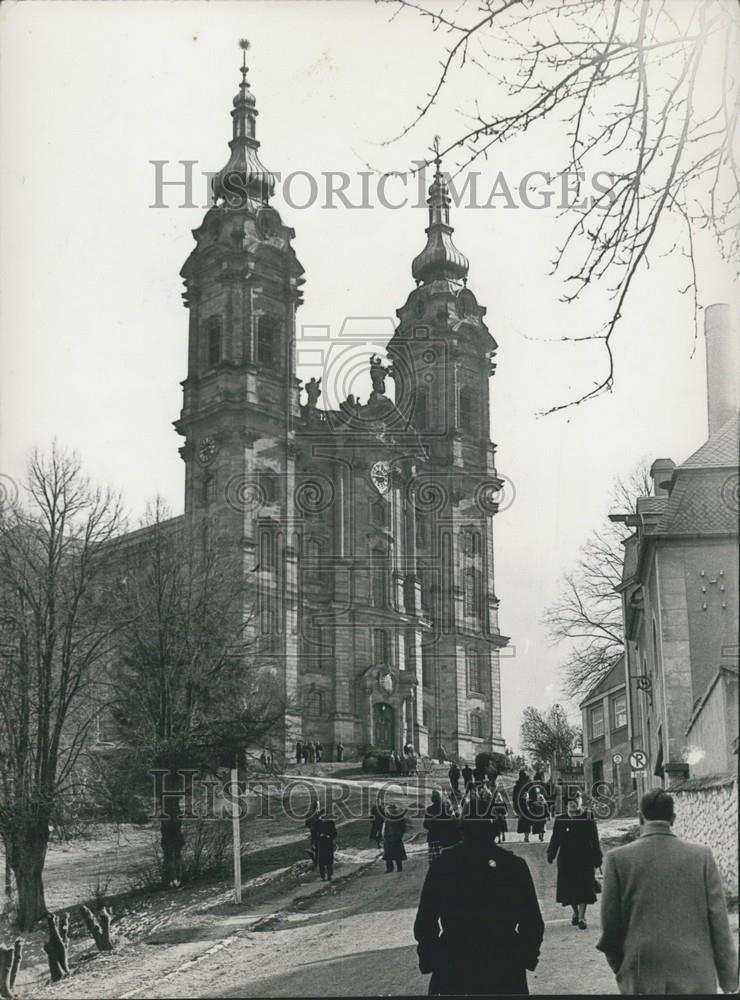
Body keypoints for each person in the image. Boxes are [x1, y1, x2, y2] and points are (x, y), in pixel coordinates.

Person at [597, 788, 738, 995]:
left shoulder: (618, 859)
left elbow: (610, 925)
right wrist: (729, 980)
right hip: (696, 974)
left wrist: (621, 966)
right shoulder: (701, 857)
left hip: (641, 973)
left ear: (640, 818)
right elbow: (719, 923)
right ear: (673, 818)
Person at [414, 795, 544, 995]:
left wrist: (432, 958)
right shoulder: (513, 866)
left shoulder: (444, 864)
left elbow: (425, 920)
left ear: (462, 827)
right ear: (494, 829)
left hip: (454, 962)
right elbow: (532, 921)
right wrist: (525, 956)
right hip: (504, 963)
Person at [547, 794, 602, 930]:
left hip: (585, 859)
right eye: (570, 802)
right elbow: (555, 839)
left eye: (575, 801)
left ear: (580, 803)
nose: (572, 804)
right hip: (566, 859)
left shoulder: (588, 817)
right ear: (566, 805)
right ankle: (575, 912)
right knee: (569, 888)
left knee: (584, 887)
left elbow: (594, 839)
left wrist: (597, 857)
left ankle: (582, 917)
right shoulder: (561, 819)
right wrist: (551, 853)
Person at [423, 789, 460, 864]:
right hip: (445, 838)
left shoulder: (429, 809)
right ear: (440, 798)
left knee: (434, 861)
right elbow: (452, 823)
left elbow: (425, 825)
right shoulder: (446, 808)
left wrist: (432, 821)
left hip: (433, 837)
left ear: (432, 799)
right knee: (446, 859)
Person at [383, 802, 408, 873]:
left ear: (394, 809)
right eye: (389, 809)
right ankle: (389, 869)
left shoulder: (398, 817)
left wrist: (399, 835)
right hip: (388, 838)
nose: (390, 810)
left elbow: (403, 827)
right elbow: (386, 827)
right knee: (388, 854)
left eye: (391, 808)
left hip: (396, 837)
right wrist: (384, 836)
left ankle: (399, 868)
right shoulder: (387, 817)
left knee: (397, 853)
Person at [315, 809, 338, 881]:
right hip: (321, 843)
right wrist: (320, 836)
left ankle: (329, 875)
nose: (325, 816)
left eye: (326, 814)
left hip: (328, 843)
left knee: (329, 860)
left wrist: (329, 836)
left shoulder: (331, 823)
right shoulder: (318, 823)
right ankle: (322, 876)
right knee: (321, 861)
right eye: (323, 815)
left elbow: (334, 833)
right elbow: (315, 834)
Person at [512, 769, 532, 843]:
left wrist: (515, 808)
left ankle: (526, 836)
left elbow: (514, 798)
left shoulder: (517, 786)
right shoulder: (528, 785)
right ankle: (526, 836)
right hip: (527, 805)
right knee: (527, 821)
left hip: (520, 806)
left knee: (523, 821)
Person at [305, 800, 321, 870]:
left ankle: (316, 862)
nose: (318, 807)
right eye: (318, 805)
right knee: (316, 846)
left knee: (318, 847)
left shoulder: (318, 813)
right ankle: (316, 863)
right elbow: (307, 823)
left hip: (319, 832)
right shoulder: (311, 814)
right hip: (315, 832)